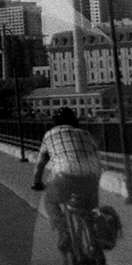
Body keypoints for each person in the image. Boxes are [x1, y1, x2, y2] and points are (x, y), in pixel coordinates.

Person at [31, 106, 102, 254]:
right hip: (90, 176)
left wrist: (36, 182)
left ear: (55, 122)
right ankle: (95, 244)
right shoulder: (86, 134)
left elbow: (39, 165)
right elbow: (97, 158)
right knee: (90, 209)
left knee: (49, 201)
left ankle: (64, 233)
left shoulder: (49, 135)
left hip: (64, 177)